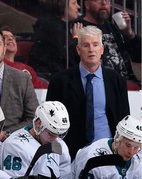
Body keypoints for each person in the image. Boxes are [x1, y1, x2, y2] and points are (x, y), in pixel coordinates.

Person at [46, 26, 130, 160]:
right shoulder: (60, 81)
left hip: (108, 151)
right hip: (70, 154)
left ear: (102, 49)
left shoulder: (116, 81)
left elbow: (125, 119)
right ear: (78, 50)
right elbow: (50, 120)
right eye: (86, 45)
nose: (91, 49)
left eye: (95, 45)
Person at [0, 101, 72, 179]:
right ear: (38, 124)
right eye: (51, 133)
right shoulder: (15, 146)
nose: (55, 139)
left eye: (60, 134)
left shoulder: (60, 145)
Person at [74, 0, 141, 84]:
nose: (104, 3)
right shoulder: (78, 27)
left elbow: (137, 55)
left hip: (125, 84)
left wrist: (129, 33)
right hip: (96, 84)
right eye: (98, 0)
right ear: (87, 4)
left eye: (107, 0)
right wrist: (75, 39)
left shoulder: (114, 28)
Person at [72, 115, 142, 179]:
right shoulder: (94, 159)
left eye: (137, 147)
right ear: (117, 138)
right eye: (128, 145)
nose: (131, 152)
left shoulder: (137, 161)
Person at [29, 0, 82, 81]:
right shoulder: (51, 27)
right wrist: (75, 38)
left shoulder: (66, 26)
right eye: (74, 3)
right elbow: (64, 56)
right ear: (62, 6)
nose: (78, 7)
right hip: (51, 77)